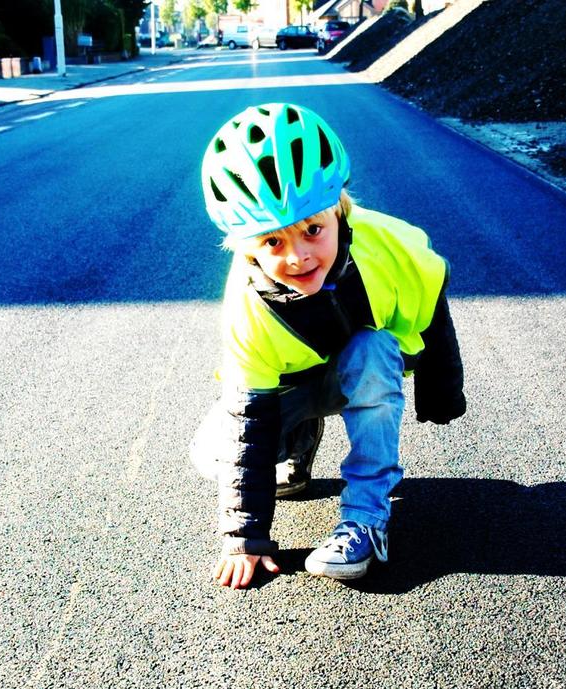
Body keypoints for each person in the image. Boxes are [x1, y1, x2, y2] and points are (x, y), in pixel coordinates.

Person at [191, 103, 466, 589]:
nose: (297, 256)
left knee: (371, 348)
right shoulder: (247, 310)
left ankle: (365, 519)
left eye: (313, 230)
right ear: (244, 246)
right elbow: (246, 420)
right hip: (291, 385)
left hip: (365, 368)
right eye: (271, 243)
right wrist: (245, 537)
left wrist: (442, 386)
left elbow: (432, 302)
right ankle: (295, 453)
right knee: (212, 456)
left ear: (340, 209)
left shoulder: (393, 246)